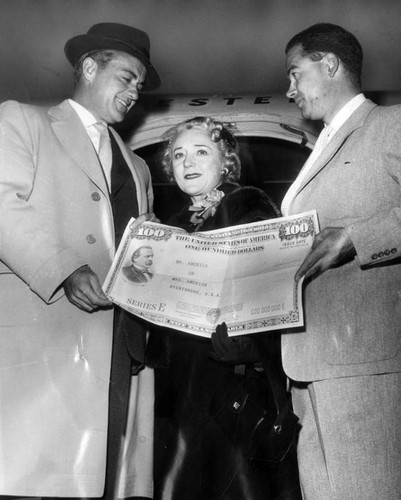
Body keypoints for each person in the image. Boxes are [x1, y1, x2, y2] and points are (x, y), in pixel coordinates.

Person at [0, 22, 160, 499]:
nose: (135, 91)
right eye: (127, 77)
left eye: (140, 85)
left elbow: (146, 251)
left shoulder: (139, 166)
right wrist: (65, 267)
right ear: (90, 67)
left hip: (123, 351)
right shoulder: (21, 122)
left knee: (106, 484)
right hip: (46, 349)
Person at [147, 116, 302, 500]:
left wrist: (252, 346)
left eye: (201, 152)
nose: (188, 163)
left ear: (226, 162)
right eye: (178, 155)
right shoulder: (174, 223)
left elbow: (271, 286)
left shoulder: (248, 203)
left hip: (230, 378)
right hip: (183, 387)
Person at [281, 23, 401, 500]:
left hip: (366, 366)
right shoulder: (323, 145)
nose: (289, 90)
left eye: (295, 73)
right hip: (311, 371)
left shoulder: (389, 125)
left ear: (329, 64)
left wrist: (357, 235)